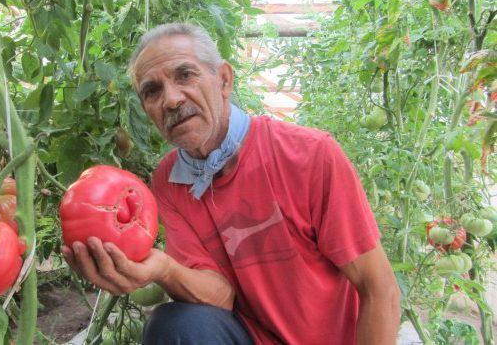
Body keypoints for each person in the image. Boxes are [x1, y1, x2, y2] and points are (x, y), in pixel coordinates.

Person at [61, 23, 401, 344]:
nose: (172, 99)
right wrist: (161, 268)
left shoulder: (309, 155)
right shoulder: (169, 181)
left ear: (224, 80)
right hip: (250, 337)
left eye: (185, 75)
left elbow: (378, 289)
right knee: (176, 326)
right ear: (146, 110)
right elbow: (220, 296)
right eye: (152, 91)